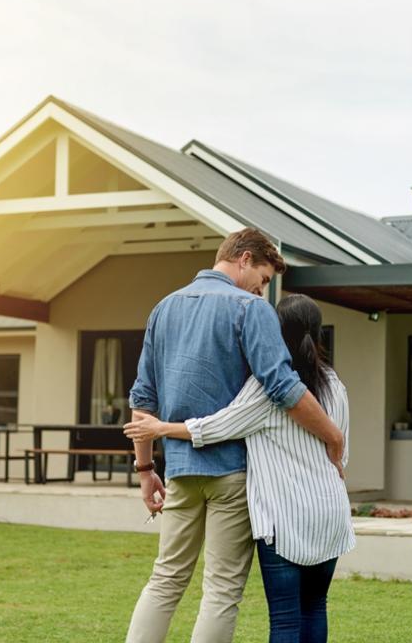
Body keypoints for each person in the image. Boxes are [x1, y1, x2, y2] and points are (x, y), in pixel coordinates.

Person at [124, 228, 345, 643]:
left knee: (166, 578)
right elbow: (282, 388)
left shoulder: (163, 308)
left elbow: (143, 398)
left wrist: (144, 468)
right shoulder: (250, 309)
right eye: (262, 279)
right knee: (221, 590)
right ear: (244, 259)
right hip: (233, 473)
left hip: (180, 470)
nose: (262, 291)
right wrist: (333, 435)